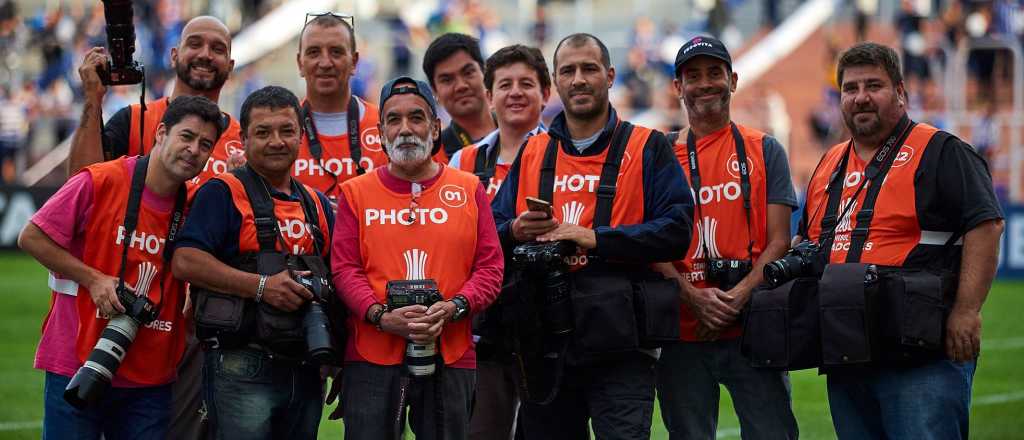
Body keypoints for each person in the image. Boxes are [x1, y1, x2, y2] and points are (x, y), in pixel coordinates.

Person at [492, 33, 694, 440]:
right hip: (545, 341)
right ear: (556, 80)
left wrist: (596, 238)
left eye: (589, 68)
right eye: (568, 70)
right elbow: (488, 236)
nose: (579, 79)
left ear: (610, 75)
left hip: (621, 344)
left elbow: (677, 230)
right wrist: (514, 230)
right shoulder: (533, 152)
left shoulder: (648, 146)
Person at [798, 42, 1004, 439]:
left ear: (901, 93)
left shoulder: (941, 150)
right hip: (847, 348)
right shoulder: (828, 163)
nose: (861, 97)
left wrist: (966, 311)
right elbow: (808, 243)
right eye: (850, 88)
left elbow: (987, 224)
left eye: (874, 85)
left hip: (920, 352)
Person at [18, 96, 223, 439]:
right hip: (77, 359)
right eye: (186, 137)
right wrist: (94, 280)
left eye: (205, 145)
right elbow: (32, 236)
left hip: (150, 374)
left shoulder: (193, 208)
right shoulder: (101, 180)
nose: (193, 150)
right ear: (161, 133)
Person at [332, 76, 503, 440]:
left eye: (416, 118)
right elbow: (345, 270)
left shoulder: (469, 188)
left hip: (452, 350)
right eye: (394, 120)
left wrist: (455, 307)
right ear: (380, 132)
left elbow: (490, 268)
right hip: (372, 351)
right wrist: (380, 316)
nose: (405, 129)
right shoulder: (355, 193)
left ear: (435, 126)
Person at [653, 35, 799, 440]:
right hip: (682, 331)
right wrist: (694, 298)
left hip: (752, 326)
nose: (705, 84)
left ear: (732, 80)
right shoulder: (659, 154)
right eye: (693, 76)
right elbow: (649, 245)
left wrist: (736, 298)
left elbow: (779, 240)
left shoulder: (765, 149)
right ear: (677, 87)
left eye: (714, 73)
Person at [171, 86, 336, 439]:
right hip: (240, 361)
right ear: (243, 139)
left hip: (306, 365)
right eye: (262, 132)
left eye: (286, 130)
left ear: (301, 135)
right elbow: (184, 261)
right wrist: (262, 287)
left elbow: (339, 278)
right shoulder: (223, 192)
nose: (276, 141)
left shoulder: (317, 204)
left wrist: (338, 357)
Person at [448, 43, 549, 439]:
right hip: (483, 327)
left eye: (527, 83)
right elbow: (454, 238)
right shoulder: (464, 162)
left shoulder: (564, 155)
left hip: (547, 325)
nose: (516, 92)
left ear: (547, 93)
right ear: (489, 96)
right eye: (505, 84)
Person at [67, 16, 242, 192]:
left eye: (218, 49)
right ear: (174, 56)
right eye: (195, 44)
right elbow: (79, 189)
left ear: (230, 66)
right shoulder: (135, 120)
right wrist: (93, 99)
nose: (205, 54)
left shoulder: (243, 143)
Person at [293, 12, 388, 201]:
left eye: (336, 52)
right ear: (300, 63)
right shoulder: (279, 131)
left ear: (354, 62)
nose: (325, 63)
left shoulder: (386, 127)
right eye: (313, 52)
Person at [423, 33, 497, 159]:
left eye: (468, 73)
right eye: (447, 80)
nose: (461, 86)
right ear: (435, 91)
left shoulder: (521, 133)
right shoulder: (433, 158)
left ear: (485, 73)